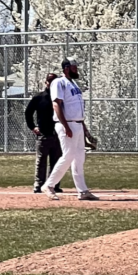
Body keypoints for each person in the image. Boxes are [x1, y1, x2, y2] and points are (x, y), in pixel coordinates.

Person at [42, 58, 97, 201]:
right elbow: (57, 105)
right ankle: (49, 185)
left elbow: (77, 110)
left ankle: (83, 191)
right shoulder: (58, 82)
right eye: (74, 67)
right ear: (66, 68)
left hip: (77, 124)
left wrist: (85, 130)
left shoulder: (74, 84)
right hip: (67, 124)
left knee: (79, 157)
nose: (76, 69)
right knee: (68, 155)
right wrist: (66, 126)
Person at [25, 73, 63, 194]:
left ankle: (54, 184)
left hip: (57, 133)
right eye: (50, 81)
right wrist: (33, 127)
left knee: (56, 161)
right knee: (41, 161)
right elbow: (28, 113)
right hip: (44, 134)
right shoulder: (39, 97)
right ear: (46, 83)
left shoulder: (60, 98)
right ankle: (38, 185)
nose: (52, 84)